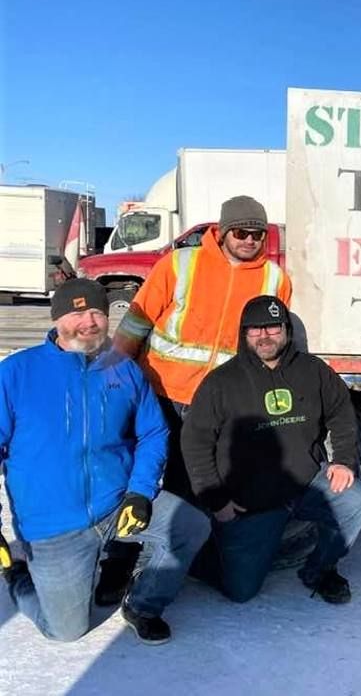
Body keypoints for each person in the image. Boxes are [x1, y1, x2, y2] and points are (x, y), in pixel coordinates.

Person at [0, 279, 209, 644]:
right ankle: (18, 573)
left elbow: (153, 433)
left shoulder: (124, 370)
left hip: (117, 506)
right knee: (65, 631)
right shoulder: (16, 373)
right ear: (58, 319)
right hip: (53, 525)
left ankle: (141, 604)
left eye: (97, 311)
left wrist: (141, 492)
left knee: (190, 526)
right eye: (77, 313)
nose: (90, 321)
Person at [104, 195, 291, 603]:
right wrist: (116, 372)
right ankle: (117, 562)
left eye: (258, 234)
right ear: (222, 232)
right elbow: (138, 318)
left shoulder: (275, 280)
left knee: (188, 488)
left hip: (216, 405)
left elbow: (269, 343)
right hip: (161, 393)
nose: (249, 240)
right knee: (137, 480)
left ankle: (167, 566)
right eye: (241, 232)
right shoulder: (179, 264)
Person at [180, 295, 361, 604]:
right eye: (255, 329)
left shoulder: (313, 370)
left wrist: (344, 460)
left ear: (286, 330)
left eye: (272, 327)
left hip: (306, 484)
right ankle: (201, 552)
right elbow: (195, 441)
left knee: (358, 501)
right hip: (250, 501)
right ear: (244, 334)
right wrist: (217, 500)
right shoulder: (222, 382)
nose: (264, 336)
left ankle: (320, 570)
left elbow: (341, 411)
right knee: (240, 591)